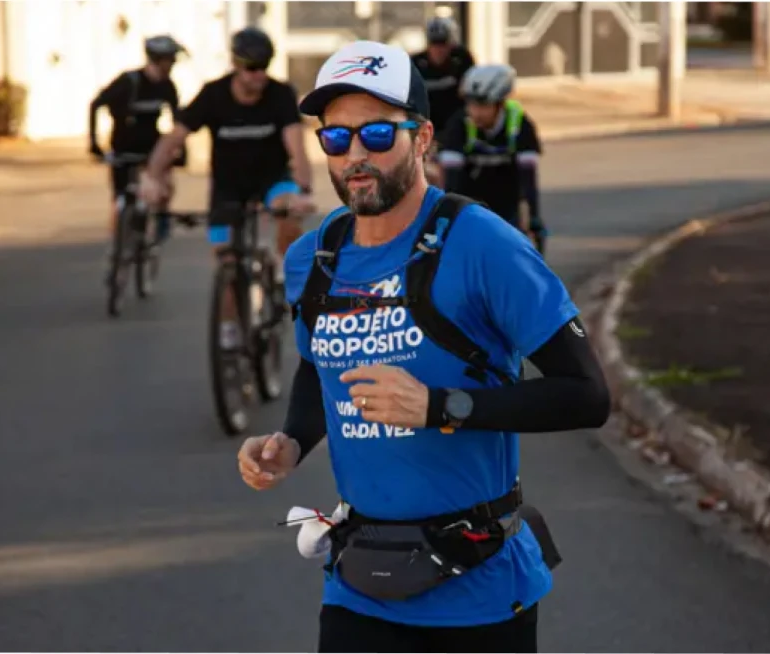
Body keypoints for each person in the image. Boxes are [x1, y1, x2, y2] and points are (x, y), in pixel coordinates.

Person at [235, 40, 610, 653]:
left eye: (378, 135)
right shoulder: (312, 258)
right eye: (336, 138)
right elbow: (317, 363)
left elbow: (587, 396)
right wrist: (292, 442)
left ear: (424, 137)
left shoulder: (486, 245)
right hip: (359, 583)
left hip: (480, 593)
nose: (356, 155)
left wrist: (442, 407)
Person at [141, 26, 314, 348]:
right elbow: (173, 139)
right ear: (235, 65)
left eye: (265, 67)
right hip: (228, 187)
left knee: (287, 211)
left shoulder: (280, 94)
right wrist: (152, 176)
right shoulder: (213, 94)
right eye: (251, 68)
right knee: (226, 264)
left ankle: (281, 272)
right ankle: (231, 334)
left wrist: (303, 190)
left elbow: (297, 148)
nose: (259, 75)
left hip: (272, 180)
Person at [89, 35, 187, 252]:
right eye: (170, 60)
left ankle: (160, 217)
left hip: (151, 146)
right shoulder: (129, 82)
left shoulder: (167, 86)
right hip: (123, 146)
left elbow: (178, 120)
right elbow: (96, 104)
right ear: (158, 59)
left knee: (164, 183)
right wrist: (94, 143)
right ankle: (117, 248)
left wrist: (181, 151)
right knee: (120, 199)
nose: (173, 64)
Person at [437, 64, 548, 255]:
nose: (475, 112)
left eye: (482, 105)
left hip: (507, 201)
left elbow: (528, 178)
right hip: (470, 201)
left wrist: (534, 217)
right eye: (470, 104)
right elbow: (451, 182)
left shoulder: (520, 125)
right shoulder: (459, 124)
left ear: (499, 103)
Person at [412, 17, 474, 189]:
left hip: (456, 125)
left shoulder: (461, 59)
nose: (438, 50)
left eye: (443, 44)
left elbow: (469, 94)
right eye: (434, 44)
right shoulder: (417, 63)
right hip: (428, 125)